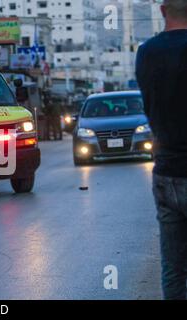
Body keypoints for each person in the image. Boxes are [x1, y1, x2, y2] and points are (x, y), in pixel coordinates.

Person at [136, 0, 187, 300]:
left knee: (172, 267)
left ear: (163, 10)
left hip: (166, 170)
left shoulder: (146, 53)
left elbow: (149, 104)